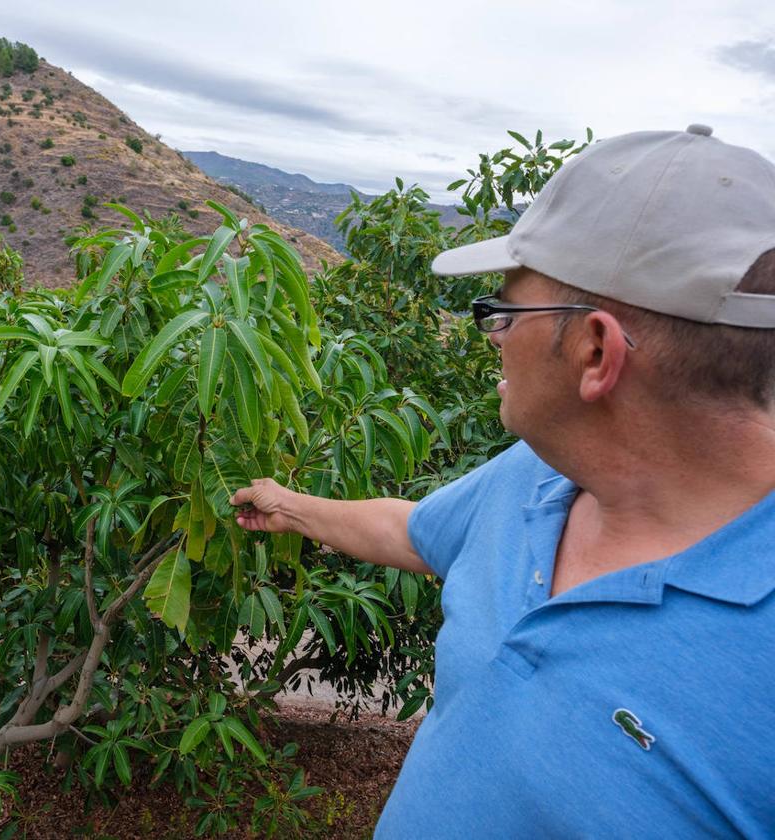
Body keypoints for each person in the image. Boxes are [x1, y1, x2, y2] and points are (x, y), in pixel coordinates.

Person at [230, 124, 775, 837]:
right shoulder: (536, 474)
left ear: (594, 350)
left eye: (500, 312)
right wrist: (288, 505)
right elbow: (416, 531)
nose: (492, 337)